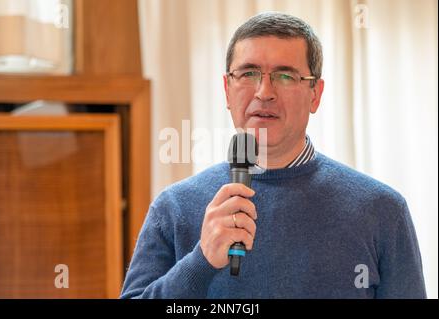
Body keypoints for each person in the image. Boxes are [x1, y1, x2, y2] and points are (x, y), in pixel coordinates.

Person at [120, 12, 426, 298]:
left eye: (285, 76)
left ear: (315, 95)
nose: (264, 92)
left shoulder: (383, 210)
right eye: (249, 73)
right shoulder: (173, 208)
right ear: (227, 90)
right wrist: (201, 262)